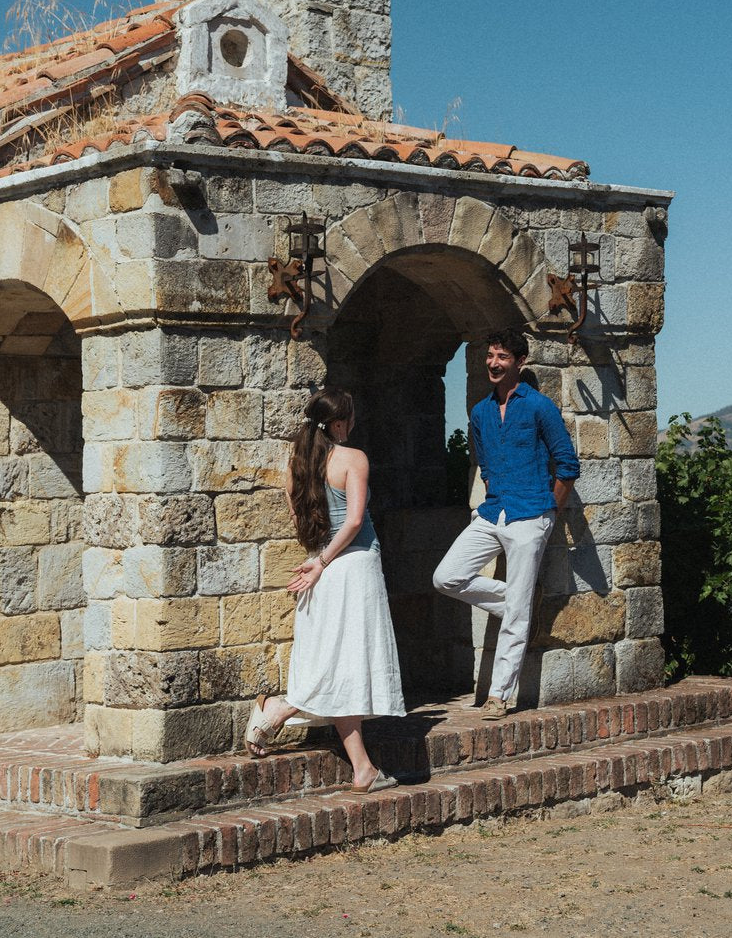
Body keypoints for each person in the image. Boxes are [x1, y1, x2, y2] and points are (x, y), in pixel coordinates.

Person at [244, 386, 405, 791]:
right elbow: (353, 523)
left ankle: (362, 768)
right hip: (349, 564)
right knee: (345, 662)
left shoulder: (297, 463)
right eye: (349, 418)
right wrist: (323, 562)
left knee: (338, 662)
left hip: (322, 563)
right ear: (337, 423)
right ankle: (278, 709)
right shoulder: (353, 458)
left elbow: (299, 514)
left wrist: (317, 557)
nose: (353, 424)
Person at [433, 328, 580, 719]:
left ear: (520, 362)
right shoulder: (480, 412)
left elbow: (567, 465)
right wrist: (490, 489)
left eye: (502, 357)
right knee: (446, 577)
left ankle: (500, 694)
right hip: (492, 510)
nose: (493, 364)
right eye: (490, 356)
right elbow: (483, 463)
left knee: (516, 612)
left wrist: (550, 512)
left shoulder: (539, 407)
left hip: (531, 514)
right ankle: (519, 605)